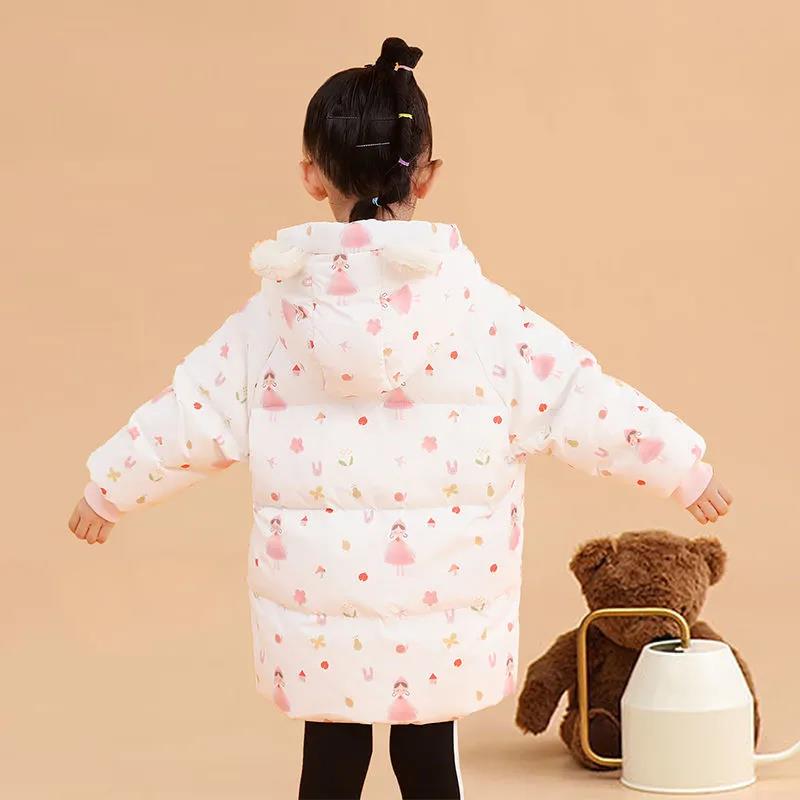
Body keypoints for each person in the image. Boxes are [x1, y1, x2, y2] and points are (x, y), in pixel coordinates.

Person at [68, 37, 732, 800]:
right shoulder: (480, 314)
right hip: (440, 610)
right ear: (426, 175)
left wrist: (109, 488)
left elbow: (190, 412)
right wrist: (683, 469)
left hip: (319, 612)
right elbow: (582, 399)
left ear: (311, 175)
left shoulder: (271, 319)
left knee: (330, 761)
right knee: (428, 764)